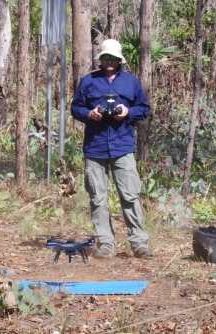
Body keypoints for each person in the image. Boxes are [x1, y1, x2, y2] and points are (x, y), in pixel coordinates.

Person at [71, 39, 153, 259]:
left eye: (114, 58)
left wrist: (128, 112)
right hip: (95, 148)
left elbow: (144, 109)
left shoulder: (131, 82)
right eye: (106, 57)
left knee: (130, 196)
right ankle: (105, 243)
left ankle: (139, 242)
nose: (109, 61)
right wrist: (89, 113)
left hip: (122, 146)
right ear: (100, 59)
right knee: (97, 198)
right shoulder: (88, 81)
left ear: (120, 60)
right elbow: (75, 107)